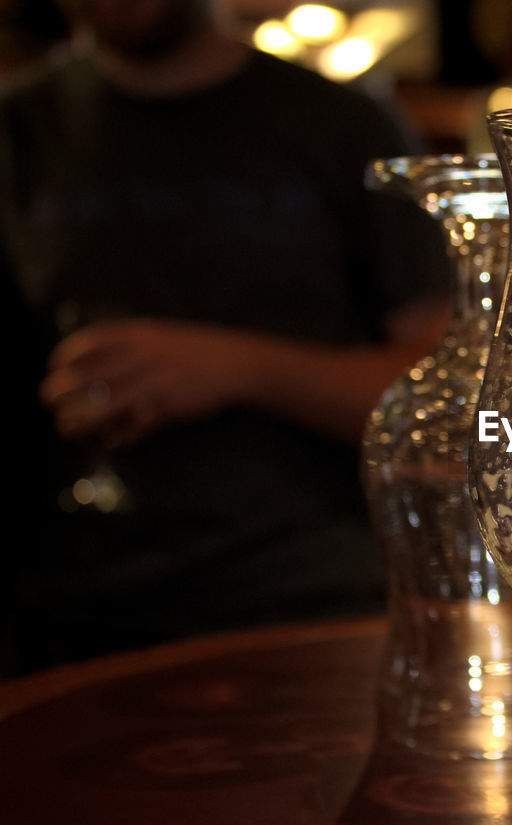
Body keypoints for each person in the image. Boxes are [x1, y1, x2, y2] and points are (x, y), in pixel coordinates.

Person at [1, 0, 450, 672]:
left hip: (304, 601)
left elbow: (447, 395)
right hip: (64, 612)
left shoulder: (343, 125)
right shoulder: (20, 129)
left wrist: (240, 368)